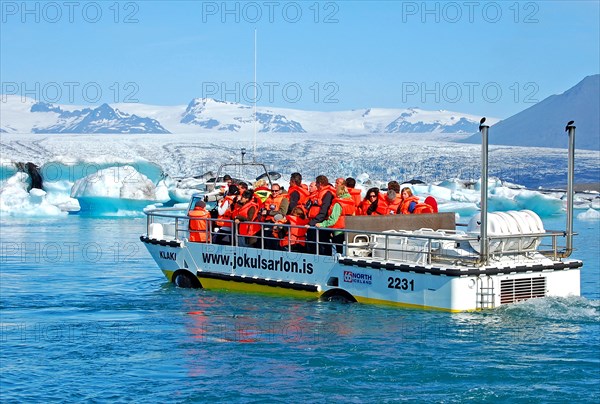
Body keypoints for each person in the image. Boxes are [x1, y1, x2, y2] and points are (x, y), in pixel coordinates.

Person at [316, 184, 355, 254]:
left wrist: (322, 224)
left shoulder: (338, 204)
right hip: (348, 231)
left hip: (338, 232)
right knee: (346, 252)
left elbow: (333, 220)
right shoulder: (351, 202)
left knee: (339, 252)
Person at [306, 175, 335, 255]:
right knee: (312, 243)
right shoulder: (320, 193)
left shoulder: (327, 194)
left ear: (320, 184)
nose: (316, 186)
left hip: (321, 224)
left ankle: (324, 260)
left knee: (322, 244)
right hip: (315, 222)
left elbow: (324, 211)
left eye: (317, 184)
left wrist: (311, 223)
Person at [261, 184, 290, 249]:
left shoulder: (284, 199)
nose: (274, 192)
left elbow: (283, 212)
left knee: (275, 244)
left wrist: (269, 212)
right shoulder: (268, 198)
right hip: (267, 222)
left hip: (277, 223)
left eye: (276, 191)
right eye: (272, 190)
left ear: (279, 191)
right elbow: (264, 207)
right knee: (267, 242)